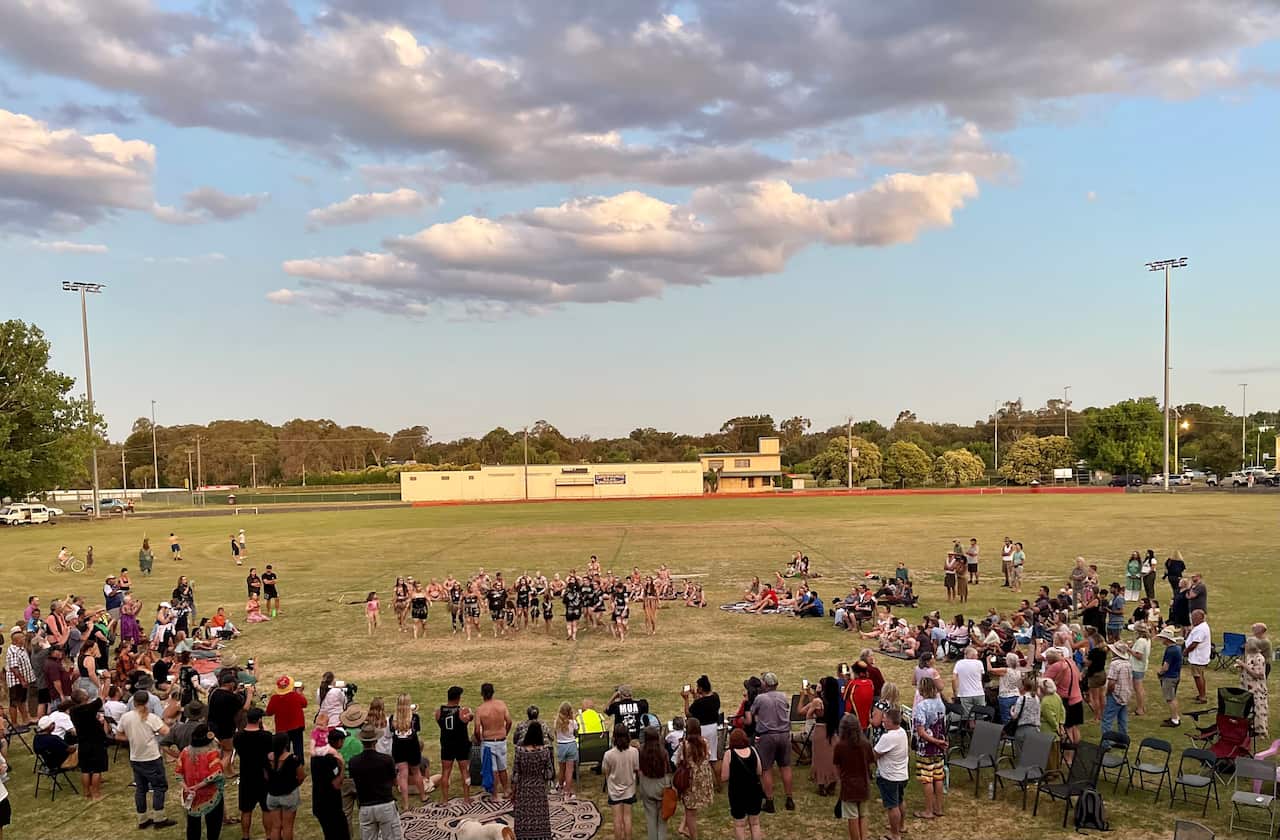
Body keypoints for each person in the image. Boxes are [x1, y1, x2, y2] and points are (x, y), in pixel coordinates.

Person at [118, 689, 176, 829]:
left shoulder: (126, 717)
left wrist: (132, 738)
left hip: (136, 758)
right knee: (159, 787)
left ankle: (142, 819)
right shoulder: (151, 718)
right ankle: (159, 818)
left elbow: (118, 735)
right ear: (147, 702)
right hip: (151, 757)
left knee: (141, 789)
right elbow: (167, 732)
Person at [745, 672, 794, 812]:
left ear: (765, 684)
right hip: (784, 734)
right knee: (785, 766)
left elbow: (753, 712)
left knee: (766, 769)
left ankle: (770, 801)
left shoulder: (760, 698)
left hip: (768, 735)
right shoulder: (783, 696)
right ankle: (789, 799)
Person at [350, 724, 401, 840]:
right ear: (376, 740)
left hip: (365, 807)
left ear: (362, 741)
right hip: (385, 804)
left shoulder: (354, 762)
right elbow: (395, 782)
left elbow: (355, 781)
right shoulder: (386, 760)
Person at [176, 724, 225, 840]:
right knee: (213, 825)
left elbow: (178, 773)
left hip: (191, 796)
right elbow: (216, 774)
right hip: (211, 795)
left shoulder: (185, 752)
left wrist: (187, 788)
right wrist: (198, 786)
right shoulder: (211, 753)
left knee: (193, 826)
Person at [235, 707, 274, 840]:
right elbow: (270, 755)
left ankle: (245, 836)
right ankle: (269, 835)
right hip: (263, 776)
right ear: (259, 720)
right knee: (266, 809)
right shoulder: (266, 736)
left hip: (246, 775)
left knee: (246, 810)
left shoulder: (238, 736)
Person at [512, 722, 554, 840]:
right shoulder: (545, 752)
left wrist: (513, 791)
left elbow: (516, 773)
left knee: (523, 814)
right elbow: (549, 773)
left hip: (524, 787)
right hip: (539, 788)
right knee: (540, 815)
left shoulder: (519, 751)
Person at [912, 677, 947, 820]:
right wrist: (941, 741)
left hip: (926, 748)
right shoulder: (941, 704)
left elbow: (921, 731)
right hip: (939, 747)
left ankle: (928, 810)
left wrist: (934, 741)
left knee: (927, 779)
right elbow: (943, 725)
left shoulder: (921, 706)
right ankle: (938, 808)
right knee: (938, 777)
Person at [720, 728, 763, 840]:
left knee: (739, 824)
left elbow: (724, 777)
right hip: (754, 790)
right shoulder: (753, 750)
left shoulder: (729, 754)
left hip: (737, 792)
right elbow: (759, 771)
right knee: (755, 823)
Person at [873, 708, 909, 840]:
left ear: (890, 721)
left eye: (885, 719)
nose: (883, 720)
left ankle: (895, 835)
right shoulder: (902, 732)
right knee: (900, 800)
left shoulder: (888, 737)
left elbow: (874, 755)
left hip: (890, 777)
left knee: (892, 806)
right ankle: (901, 826)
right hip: (902, 775)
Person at [800, 677, 839, 797]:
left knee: (820, 759)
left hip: (820, 730)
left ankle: (821, 785)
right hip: (832, 731)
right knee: (832, 759)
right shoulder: (835, 700)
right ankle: (832, 784)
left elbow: (808, 715)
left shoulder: (818, 701)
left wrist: (812, 703)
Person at [675, 719, 714, 839]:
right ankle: (683, 827)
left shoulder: (684, 745)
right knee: (692, 808)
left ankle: (693, 836)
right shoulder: (705, 742)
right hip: (702, 779)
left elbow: (678, 761)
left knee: (689, 808)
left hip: (689, 779)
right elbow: (709, 756)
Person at [68, 687, 109, 800]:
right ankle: (96, 793)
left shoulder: (73, 711)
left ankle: (86, 792)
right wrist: (106, 679)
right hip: (96, 742)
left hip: (83, 742)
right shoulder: (90, 708)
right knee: (97, 769)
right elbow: (103, 696)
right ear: (84, 697)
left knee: (85, 769)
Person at [436, 686, 473, 804]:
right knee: (464, 771)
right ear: (458, 698)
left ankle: (445, 799)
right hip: (461, 744)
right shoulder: (462, 712)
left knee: (445, 772)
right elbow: (469, 718)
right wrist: (469, 714)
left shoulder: (439, 712)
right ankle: (466, 798)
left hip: (447, 744)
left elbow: (440, 724)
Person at [390, 694, 428, 810]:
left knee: (402, 775)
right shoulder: (415, 717)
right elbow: (417, 730)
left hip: (398, 746)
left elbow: (392, 730)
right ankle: (423, 795)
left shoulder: (393, 718)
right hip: (412, 746)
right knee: (416, 771)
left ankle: (405, 803)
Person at [602, 724, 640, 840]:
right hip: (629, 788)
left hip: (614, 790)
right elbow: (636, 768)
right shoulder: (634, 752)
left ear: (614, 737)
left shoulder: (608, 755)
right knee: (627, 818)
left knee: (617, 819)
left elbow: (605, 771)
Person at [266, 732, 306, 840]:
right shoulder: (293, 759)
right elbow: (301, 776)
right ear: (286, 744)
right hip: (288, 795)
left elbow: (265, 776)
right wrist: (294, 785)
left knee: (275, 827)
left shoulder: (268, 758)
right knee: (287, 827)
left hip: (272, 795)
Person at [476, 682, 513, 799]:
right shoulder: (501, 705)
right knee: (502, 767)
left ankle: (495, 794)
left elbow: (477, 729)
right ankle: (506, 789)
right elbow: (509, 721)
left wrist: (479, 739)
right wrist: (505, 733)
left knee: (493, 769)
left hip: (488, 742)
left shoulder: (480, 710)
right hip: (501, 740)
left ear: (482, 694)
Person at [312, 728, 351, 840]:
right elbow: (336, 784)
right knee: (340, 835)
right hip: (330, 805)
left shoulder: (316, 756)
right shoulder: (331, 759)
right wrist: (342, 766)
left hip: (319, 803)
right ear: (338, 741)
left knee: (329, 834)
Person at [1043, 649, 1083, 747]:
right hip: (1077, 698)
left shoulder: (1055, 666)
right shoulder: (1070, 661)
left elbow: (1044, 682)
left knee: (1067, 729)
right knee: (1075, 727)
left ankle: (1068, 758)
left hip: (1066, 700)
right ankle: (1075, 752)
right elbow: (1079, 678)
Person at [636, 725, 670, 840]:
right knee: (662, 818)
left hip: (647, 783)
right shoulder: (663, 752)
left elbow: (639, 768)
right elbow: (669, 769)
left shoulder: (641, 751)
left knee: (650, 817)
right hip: (662, 783)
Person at [267, 675, 309, 759]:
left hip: (282, 728)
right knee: (298, 747)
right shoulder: (295, 695)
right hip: (297, 726)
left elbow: (269, 712)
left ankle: (284, 766)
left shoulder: (274, 698)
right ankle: (299, 765)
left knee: (284, 749)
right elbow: (304, 704)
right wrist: (300, 693)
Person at [1238, 639, 1270, 738]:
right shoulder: (1249, 656)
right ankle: (1250, 727)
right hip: (1247, 686)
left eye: (1247, 644)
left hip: (1257, 689)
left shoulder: (1260, 658)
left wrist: (1244, 666)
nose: (1245, 645)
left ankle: (1261, 731)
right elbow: (1249, 668)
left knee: (1259, 709)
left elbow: (1258, 675)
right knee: (1247, 708)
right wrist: (1241, 667)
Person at [1101, 642, 1133, 737]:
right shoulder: (1128, 663)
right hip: (1125, 694)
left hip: (1115, 695)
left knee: (1107, 720)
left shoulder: (1114, 664)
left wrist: (1107, 693)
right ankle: (1123, 740)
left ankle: (1106, 743)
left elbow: (1111, 683)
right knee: (1123, 719)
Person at [1155, 626, 1184, 728]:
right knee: (1173, 697)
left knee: (1170, 699)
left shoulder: (1170, 650)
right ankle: (1175, 717)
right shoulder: (1177, 648)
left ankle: (1174, 720)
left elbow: (1165, 667)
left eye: (1162, 638)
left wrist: (1159, 672)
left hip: (1169, 677)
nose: (1161, 640)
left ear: (1167, 639)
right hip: (1175, 676)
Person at [5, 628, 33, 725]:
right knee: (14, 702)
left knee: (22, 700)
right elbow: (14, 668)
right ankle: (14, 723)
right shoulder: (13, 651)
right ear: (16, 640)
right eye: (22, 638)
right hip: (16, 681)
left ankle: (26, 720)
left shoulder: (21, 648)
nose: (24, 639)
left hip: (22, 680)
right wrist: (22, 680)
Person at [1184, 609, 1211, 704]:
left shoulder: (1201, 629)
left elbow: (1194, 643)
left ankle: (1202, 697)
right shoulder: (1200, 626)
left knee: (1198, 676)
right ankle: (1201, 694)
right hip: (1199, 656)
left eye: (1194, 618)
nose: (1192, 620)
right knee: (1199, 676)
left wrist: (1186, 651)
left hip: (1198, 657)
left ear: (1200, 618)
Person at [553, 702, 579, 801]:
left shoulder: (556, 722)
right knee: (569, 771)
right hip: (571, 746)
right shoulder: (573, 722)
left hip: (561, 746)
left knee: (562, 770)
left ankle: (560, 786)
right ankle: (567, 793)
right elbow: (576, 733)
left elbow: (556, 735)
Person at [952, 647, 984, 717]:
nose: (978, 657)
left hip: (965, 694)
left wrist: (955, 692)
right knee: (980, 716)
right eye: (977, 655)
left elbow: (954, 679)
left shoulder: (959, 663)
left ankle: (971, 727)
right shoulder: (979, 663)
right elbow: (981, 678)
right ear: (973, 655)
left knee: (969, 717)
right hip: (979, 693)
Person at [1131, 622, 1151, 716]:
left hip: (1137, 667)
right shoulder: (1147, 639)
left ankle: (1140, 709)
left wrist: (1128, 649)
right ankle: (1142, 706)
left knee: (1138, 688)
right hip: (1141, 666)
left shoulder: (1141, 641)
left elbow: (1138, 655)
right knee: (1140, 688)